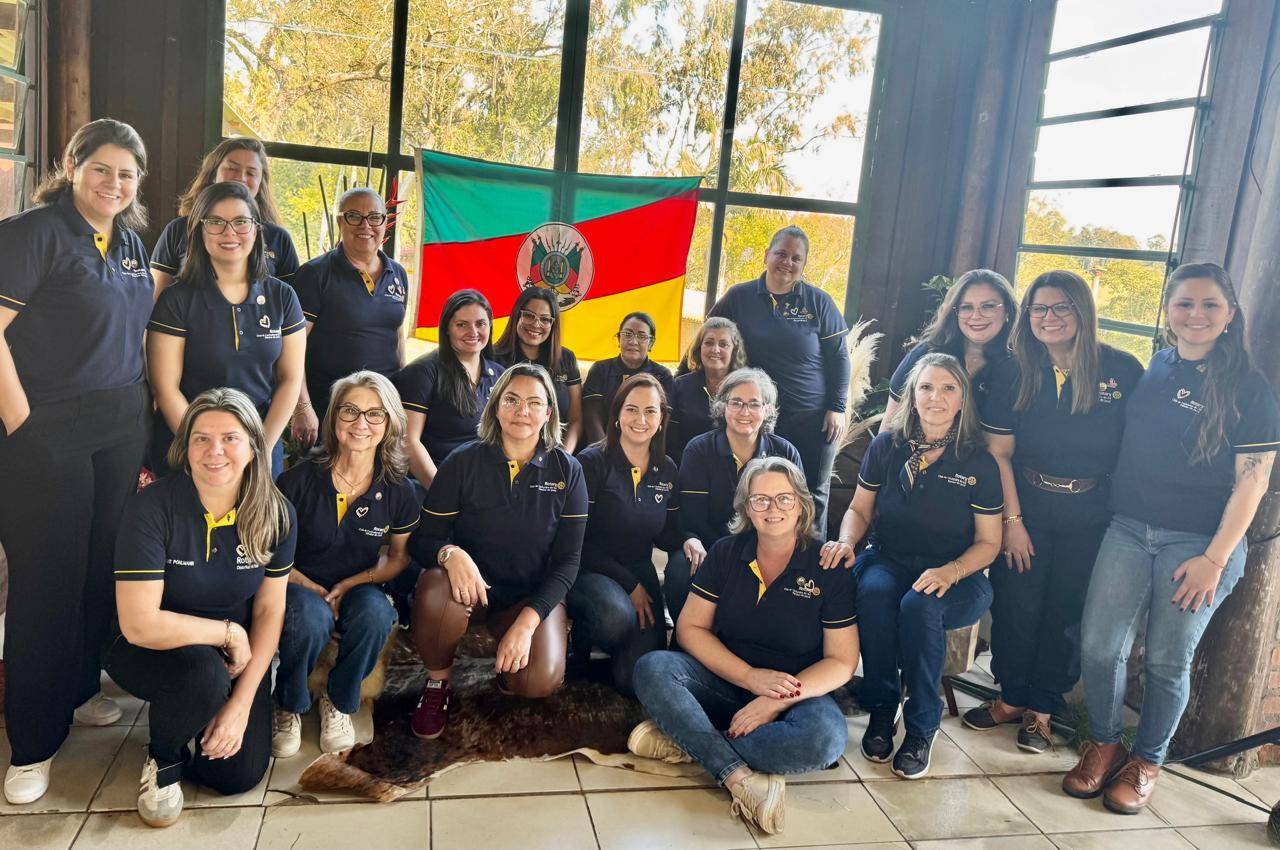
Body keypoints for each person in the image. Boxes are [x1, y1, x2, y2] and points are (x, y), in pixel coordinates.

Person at [1065, 263, 1279, 814]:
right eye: (1184, 303)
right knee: (1100, 646)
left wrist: (1214, 557)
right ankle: (1106, 743)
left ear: (1230, 315)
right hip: (1129, 529)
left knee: (1165, 660)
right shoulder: (1155, 367)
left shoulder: (1252, 392)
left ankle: (1147, 762)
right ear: (1168, 313)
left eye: (1209, 304)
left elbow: (1253, 482)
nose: (1196, 315)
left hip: (1201, 544)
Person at [0, 119, 154, 804]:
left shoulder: (129, 243)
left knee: (100, 567)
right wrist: (23, 424)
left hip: (120, 426)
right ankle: (32, 743)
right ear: (71, 165)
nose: (113, 184)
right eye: (101, 169)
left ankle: (82, 689)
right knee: (45, 581)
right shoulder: (32, 234)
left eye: (126, 174)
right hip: (46, 430)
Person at [962, 271, 1143, 752]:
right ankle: (1011, 697)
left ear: (1083, 312)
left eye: (1061, 307)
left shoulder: (1122, 371)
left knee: (1066, 611)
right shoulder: (1014, 371)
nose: (1049, 318)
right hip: (1028, 506)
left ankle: (1041, 708)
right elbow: (999, 452)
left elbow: (1138, 448)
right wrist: (1013, 524)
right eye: (1039, 309)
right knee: (1016, 605)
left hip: (1092, 513)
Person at [630, 457, 857, 836]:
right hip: (727, 677)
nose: (772, 509)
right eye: (760, 500)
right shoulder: (726, 552)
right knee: (652, 667)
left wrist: (776, 699)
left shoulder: (826, 565)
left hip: (794, 691)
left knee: (825, 740)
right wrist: (750, 678)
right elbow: (690, 628)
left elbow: (842, 661)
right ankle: (736, 774)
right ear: (746, 508)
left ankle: (691, 741)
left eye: (784, 499)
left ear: (802, 504)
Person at [105, 389, 296, 827]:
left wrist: (242, 703)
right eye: (201, 438)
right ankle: (164, 759)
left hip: (234, 655)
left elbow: (269, 612)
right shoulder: (151, 508)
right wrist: (228, 633)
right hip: (146, 646)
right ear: (184, 448)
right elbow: (139, 625)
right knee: (201, 677)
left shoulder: (276, 513)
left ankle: (201, 711)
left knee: (235, 775)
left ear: (252, 446)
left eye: (230, 438)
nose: (215, 451)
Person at [823, 352, 1001, 779]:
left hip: (959, 572)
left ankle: (923, 725)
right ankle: (883, 709)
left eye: (947, 389)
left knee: (920, 606)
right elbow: (860, 510)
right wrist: (847, 541)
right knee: (874, 594)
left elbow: (989, 543)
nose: (935, 397)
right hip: (889, 556)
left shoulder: (978, 461)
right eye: (926, 387)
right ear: (912, 396)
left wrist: (950, 571)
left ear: (962, 399)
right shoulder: (887, 446)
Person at [407, 363, 588, 739]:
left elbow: (568, 563)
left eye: (534, 403)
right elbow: (424, 540)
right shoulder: (462, 461)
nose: (523, 411)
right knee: (435, 589)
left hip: (527, 597)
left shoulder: (568, 471)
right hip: (467, 592)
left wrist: (528, 622)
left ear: (549, 413)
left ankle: (511, 666)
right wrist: (449, 553)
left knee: (539, 681)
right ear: (495, 405)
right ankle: (439, 683)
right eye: (512, 400)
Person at [273, 372, 418, 757]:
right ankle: (290, 702)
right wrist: (311, 588)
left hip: (361, 582)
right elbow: (269, 555)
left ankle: (339, 699)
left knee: (375, 615)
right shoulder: (297, 481)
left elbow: (398, 557)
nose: (361, 424)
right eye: (350, 411)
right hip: (299, 581)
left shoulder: (399, 489)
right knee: (310, 618)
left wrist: (353, 584)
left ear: (389, 424)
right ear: (334, 418)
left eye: (374, 414)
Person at [147, 181, 306, 475]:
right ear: (199, 231)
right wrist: (202, 447)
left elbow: (290, 379)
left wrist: (262, 449)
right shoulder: (176, 299)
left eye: (241, 222)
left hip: (259, 441)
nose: (229, 232)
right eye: (216, 222)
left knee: (255, 522)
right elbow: (166, 388)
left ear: (256, 230)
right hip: (189, 443)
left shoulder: (282, 296)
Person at [569, 374, 684, 695]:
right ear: (617, 415)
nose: (641, 419)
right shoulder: (591, 462)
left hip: (638, 571)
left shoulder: (668, 469)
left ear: (662, 420)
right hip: (588, 569)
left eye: (650, 411)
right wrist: (629, 585)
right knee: (614, 616)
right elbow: (577, 542)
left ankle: (616, 645)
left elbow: (668, 536)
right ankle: (583, 636)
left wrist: (691, 540)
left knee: (634, 680)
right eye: (632, 410)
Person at [668, 368, 802, 625]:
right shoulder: (699, 449)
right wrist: (692, 540)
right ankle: (686, 642)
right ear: (722, 406)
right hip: (711, 547)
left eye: (754, 404)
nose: (744, 412)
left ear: (768, 410)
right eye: (736, 402)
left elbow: (797, 516)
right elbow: (691, 518)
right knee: (680, 570)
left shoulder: (785, 453)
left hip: (768, 550)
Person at [289, 187, 408, 446]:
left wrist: (400, 401)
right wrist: (302, 407)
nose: (365, 225)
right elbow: (291, 349)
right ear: (340, 222)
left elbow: (397, 338)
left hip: (381, 408)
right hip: (330, 408)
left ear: (384, 223)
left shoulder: (397, 273)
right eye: (354, 216)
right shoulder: (315, 274)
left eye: (374, 217)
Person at [150, 137, 298, 294]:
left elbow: (291, 302)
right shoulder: (178, 230)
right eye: (232, 168)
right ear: (213, 174)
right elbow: (156, 298)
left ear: (261, 182)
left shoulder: (279, 238)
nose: (241, 178)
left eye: (251, 172)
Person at [395, 289, 503, 488]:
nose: (473, 332)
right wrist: (443, 494)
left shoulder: (500, 375)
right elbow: (408, 442)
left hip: (483, 483)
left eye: (480, 324)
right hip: (433, 482)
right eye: (462, 325)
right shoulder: (423, 372)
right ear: (446, 328)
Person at [883, 268, 1018, 423]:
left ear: (1007, 310)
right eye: (966, 307)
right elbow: (890, 425)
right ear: (955, 312)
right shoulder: (925, 353)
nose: (976, 316)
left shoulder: (1019, 365)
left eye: (988, 306)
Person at [493, 286, 583, 452]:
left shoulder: (566, 358)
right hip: (503, 452)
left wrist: (564, 457)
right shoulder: (493, 357)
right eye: (529, 315)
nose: (536, 324)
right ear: (516, 316)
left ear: (553, 324)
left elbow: (576, 419)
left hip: (556, 452)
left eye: (545, 319)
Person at [581, 311, 675, 445]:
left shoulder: (663, 376)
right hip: (601, 449)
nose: (633, 341)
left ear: (651, 343)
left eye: (642, 336)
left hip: (644, 449)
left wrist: (640, 451)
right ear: (619, 339)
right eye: (627, 334)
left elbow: (662, 421)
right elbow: (592, 417)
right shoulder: (600, 369)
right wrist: (603, 452)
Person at [668, 317, 748, 462]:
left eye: (723, 344)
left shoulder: (745, 388)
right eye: (709, 343)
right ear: (700, 348)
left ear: (734, 350)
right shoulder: (679, 386)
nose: (715, 349)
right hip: (688, 469)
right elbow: (669, 439)